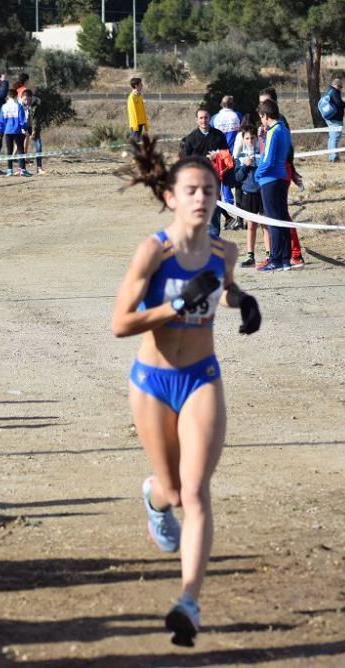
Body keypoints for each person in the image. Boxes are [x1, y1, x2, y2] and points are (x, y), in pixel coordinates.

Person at [111, 137, 262, 646]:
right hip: (152, 382)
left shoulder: (224, 250)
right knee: (172, 489)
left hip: (201, 377)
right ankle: (155, 503)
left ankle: (189, 602)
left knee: (196, 492)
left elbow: (224, 284)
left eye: (209, 190)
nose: (201, 198)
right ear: (172, 197)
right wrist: (175, 309)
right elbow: (120, 324)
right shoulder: (154, 251)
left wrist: (244, 301)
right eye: (191, 190)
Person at [258, 87, 305, 268]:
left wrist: (291, 172)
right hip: (272, 171)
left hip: (275, 172)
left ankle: (290, 254)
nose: (262, 106)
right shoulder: (268, 127)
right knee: (276, 215)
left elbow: (283, 151)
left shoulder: (279, 124)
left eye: (265, 102)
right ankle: (279, 256)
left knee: (278, 216)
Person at [255, 98, 293, 272]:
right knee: (282, 219)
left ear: (265, 115)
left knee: (273, 220)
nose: (261, 121)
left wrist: (258, 173)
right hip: (281, 178)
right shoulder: (284, 129)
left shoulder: (273, 131)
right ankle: (286, 258)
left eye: (261, 117)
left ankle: (276, 258)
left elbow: (268, 158)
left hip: (270, 179)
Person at [180, 107, 229, 237]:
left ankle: (214, 236)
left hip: (214, 178)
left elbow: (227, 154)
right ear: (197, 120)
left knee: (214, 207)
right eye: (201, 118)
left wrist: (217, 155)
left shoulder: (219, 136)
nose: (203, 120)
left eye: (206, 117)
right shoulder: (190, 138)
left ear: (210, 118)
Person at [233, 124, 264, 267]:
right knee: (251, 225)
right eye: (247, 138)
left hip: (262, 192)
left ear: (256, 139)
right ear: (243, 140)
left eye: (252, 138)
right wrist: (245, 165)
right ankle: (250, 256)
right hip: (248, 194)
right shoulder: (239, 157)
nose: (250, 141)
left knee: (266, 225)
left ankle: (269, 255)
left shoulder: (262, 153)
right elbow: (237, 178)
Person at [211, 96, 243, 226]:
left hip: (221, 155)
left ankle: (228, 214)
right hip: (236, 153)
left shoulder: (214, 118)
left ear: (221, 104)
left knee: (224, 183)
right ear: (233, 104)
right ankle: (241, 217)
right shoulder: (238, 116)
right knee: (239, 183)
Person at [0, 88, 31, 177]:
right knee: (20, 150)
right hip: (17, 131)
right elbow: (22, 120)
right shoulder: (18, 106)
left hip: (7, 132)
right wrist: (25, 129)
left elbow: (1, 120)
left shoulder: (4, 107)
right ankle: (22, 169)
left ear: (8, 96)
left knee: (9, 150)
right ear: (16, 96)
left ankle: (9, 170)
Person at [323, 78, 345, 162]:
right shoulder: (334, 92)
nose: (341, 89)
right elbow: (339, 104)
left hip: (330, 117)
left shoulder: (329, 91)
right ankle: (334, 157)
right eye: (340, 87)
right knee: (335, 137)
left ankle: (331, 156)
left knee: (331, 137)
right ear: (337, 85)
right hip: (335, 118)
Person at [21, 89, 46, 175]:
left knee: (38, 146)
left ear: (32, 98)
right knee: (21, 148)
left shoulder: (35, 106)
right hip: (22, 127)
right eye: (25, 99)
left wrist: (34, 131)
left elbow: (35, 120)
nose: (27, 101)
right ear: (21, 98)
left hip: (33, 127)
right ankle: (21, 168)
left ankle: (39, 167)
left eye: (29, 99)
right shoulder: (18, 105)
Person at [127, 77, 149, 142]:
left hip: (141, 122)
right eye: (140, 84)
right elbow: (132, 113)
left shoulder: (140, 96)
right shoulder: (132, 97)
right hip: (135, 125)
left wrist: (145, 122)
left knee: (138, 142)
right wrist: (135, 126)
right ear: (136, 86)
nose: (142, 86)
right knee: (135, 142)